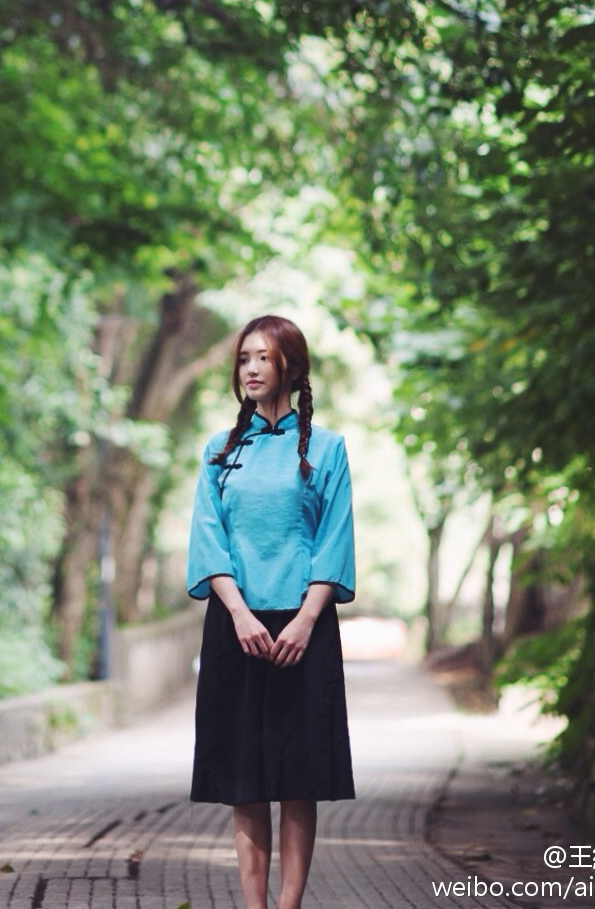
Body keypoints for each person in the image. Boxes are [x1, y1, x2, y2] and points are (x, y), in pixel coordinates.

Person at [186, 313, 356, 909]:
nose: (251, 368)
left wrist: (307, 620)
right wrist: (237, 612)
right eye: (243, 358)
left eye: (263, 357)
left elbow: (334, 541)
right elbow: (208, 540)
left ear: (291, 367)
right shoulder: (220, 450)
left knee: (297, 776)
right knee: (245, 778)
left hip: (303, 628)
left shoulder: (329, 449)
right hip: (237, 626)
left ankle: (289, 906)